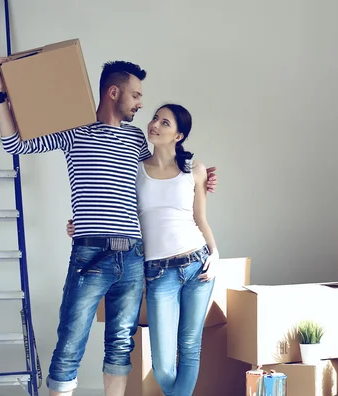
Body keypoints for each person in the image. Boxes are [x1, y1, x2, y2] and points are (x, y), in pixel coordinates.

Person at [0, 59, 217, 396]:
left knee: (120, 347)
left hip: (135, 257)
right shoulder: (74, 131)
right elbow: (15, 146)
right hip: (91, 253)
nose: (141, 105)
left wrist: (199, 178)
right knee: (70, 342)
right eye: (136, 95)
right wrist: (0, 92)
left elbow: (160, 176)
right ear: (114, 92)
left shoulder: (138, 139)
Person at [67, 103, 219, 396]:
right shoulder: (133, 169)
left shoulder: (194, 169)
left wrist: (215, 254)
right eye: (155, 119)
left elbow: (200, 218)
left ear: (179, 135)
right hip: (158, 271)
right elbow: (111, 205)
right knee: (162, 364)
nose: (155, 125)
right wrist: (84, 223)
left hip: (198, 263)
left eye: (165, 123)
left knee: (190, 347)